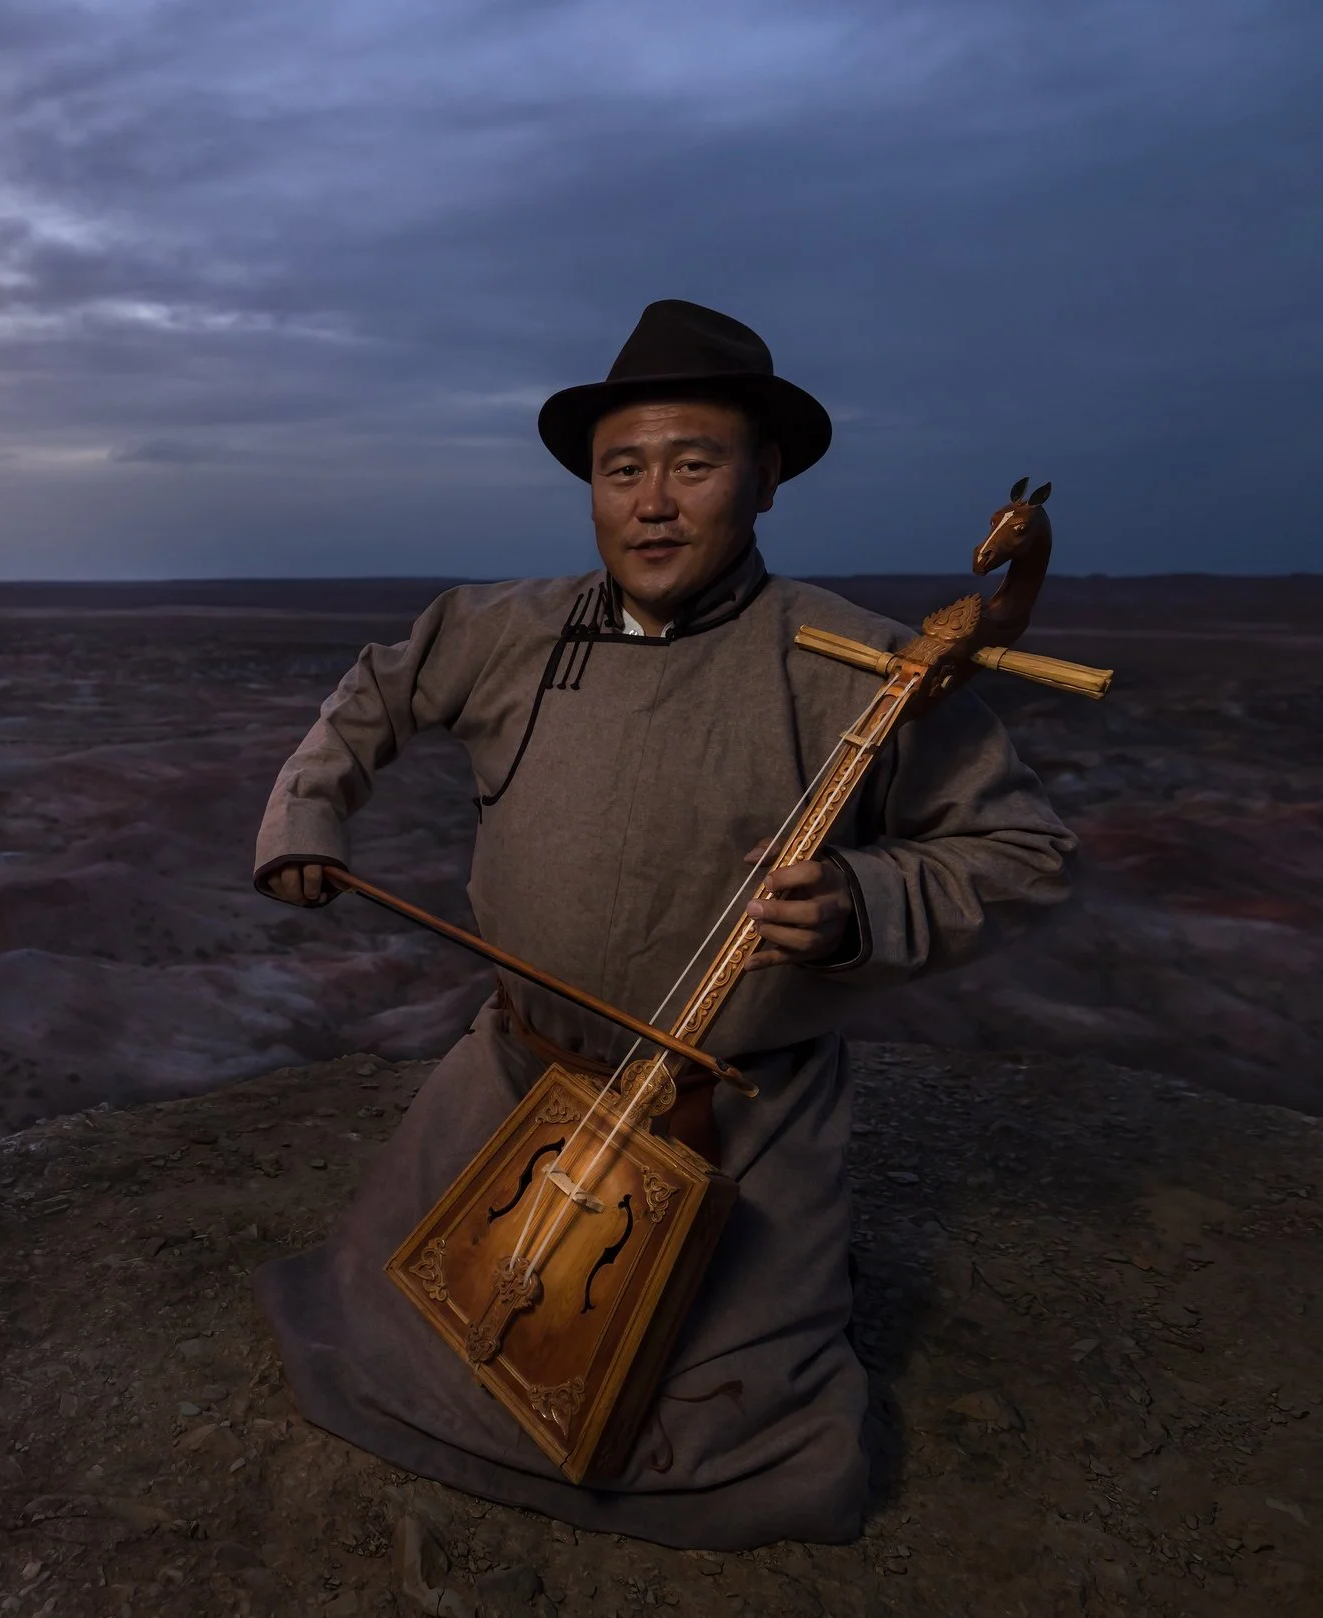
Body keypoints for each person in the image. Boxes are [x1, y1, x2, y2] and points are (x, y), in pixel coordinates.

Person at [250, 300, 1075, 1549]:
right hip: (520, 1086)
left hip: (734, 1124)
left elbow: (1020, 855)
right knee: (405, 1337)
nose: (651, 503)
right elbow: (374, 691)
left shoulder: (862, 658)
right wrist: (304, 812)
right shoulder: (497, 630)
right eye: (620, 470)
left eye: (692, 466)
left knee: (728, 1445)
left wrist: (863, 899)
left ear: (766, 479)